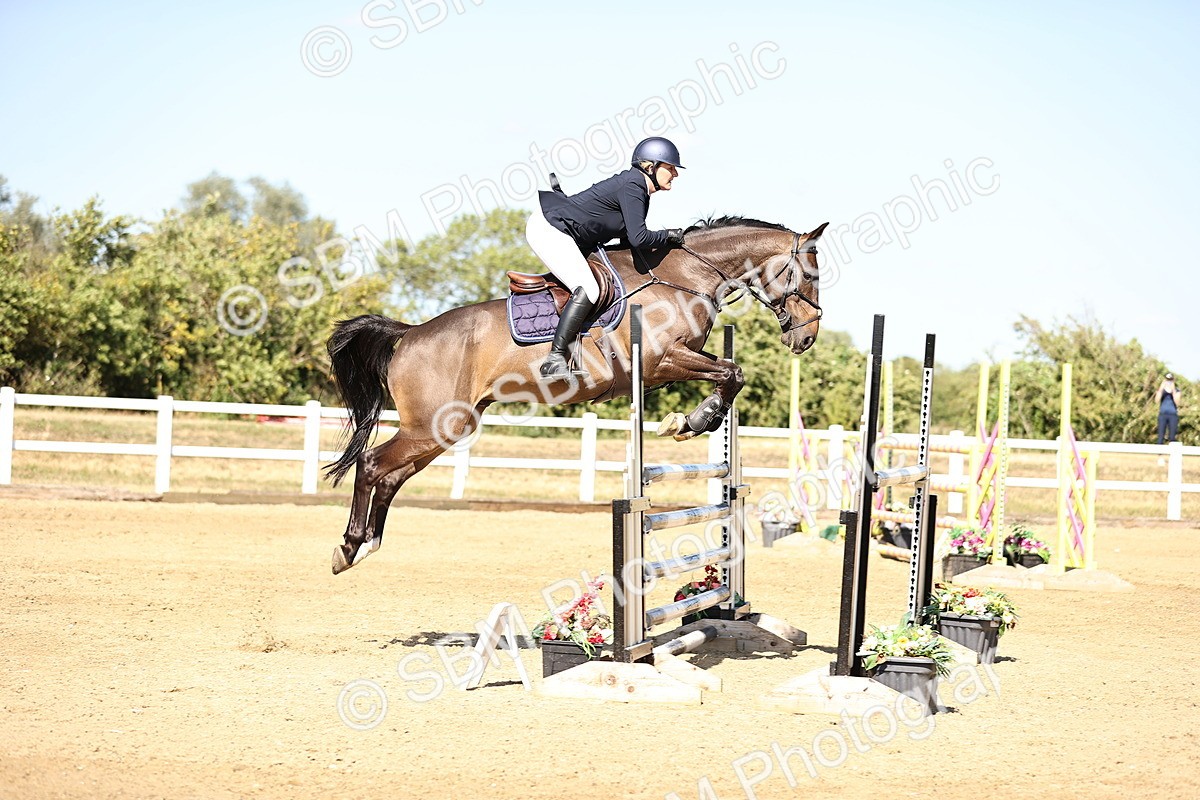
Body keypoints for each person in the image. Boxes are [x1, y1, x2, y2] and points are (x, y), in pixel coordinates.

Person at [525, 136, 686, 379]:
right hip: (549, 228)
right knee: (589, 288)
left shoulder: (639, 189)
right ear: (650, 166)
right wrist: (669, 236)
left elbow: (628, 242)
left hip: (567, 231)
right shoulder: (633, 185)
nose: (675, 174)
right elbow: (639, 238)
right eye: (671, 167)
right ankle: (555, 359)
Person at [1155, 372, 1181, 445]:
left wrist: (1173, 390)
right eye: (1167, 380)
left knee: (1172, 436)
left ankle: (1172, 451)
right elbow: (1156, 400)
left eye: (1170, 380)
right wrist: (1161, 389)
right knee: (1160, 436)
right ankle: (1160, 450)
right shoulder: (1162, 391)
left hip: (1173, 415)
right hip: (1162, 414)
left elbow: (1177, 402)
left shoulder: (1177, 390)